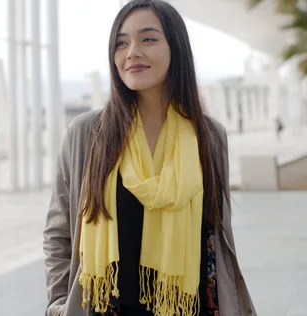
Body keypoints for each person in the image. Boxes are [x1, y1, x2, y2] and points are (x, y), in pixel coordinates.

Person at [43, 1, 257, 315]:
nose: (132, 52)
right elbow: (59, 231)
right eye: (121, 43)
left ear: (176, 48)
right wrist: (59, 302)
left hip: (189, 307)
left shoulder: (208, 136)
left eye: (148, 39)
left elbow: (214, 237)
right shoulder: (88, 133)